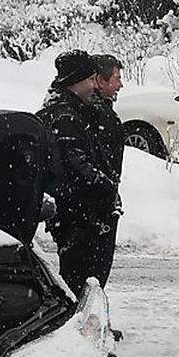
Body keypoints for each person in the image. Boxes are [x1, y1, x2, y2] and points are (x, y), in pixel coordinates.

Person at [36, 50, 123, 296]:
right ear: (76, 81)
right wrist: (106, 188)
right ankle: (80, 326)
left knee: (87, 276)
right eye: (90, 80)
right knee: (82, 277)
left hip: (83, 212)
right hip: (80, 214)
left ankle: (85, 323)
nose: (94, 86)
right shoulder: (65, 116)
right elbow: (77, 167)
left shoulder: (77, 111)